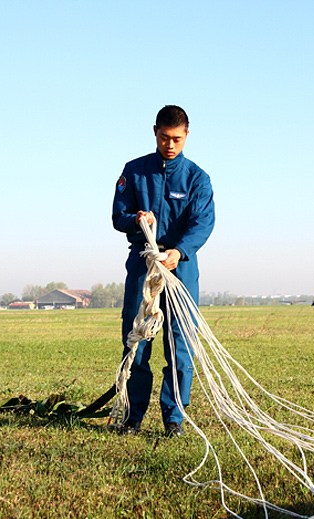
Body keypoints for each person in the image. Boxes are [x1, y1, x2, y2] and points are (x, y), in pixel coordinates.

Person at [111, 105, 215, 437]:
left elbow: (203, 223)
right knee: (136, 342)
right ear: (154, 132)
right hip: (144, 266)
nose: (170, 145)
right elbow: (118, 215)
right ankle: (132, 416)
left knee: (180, 346)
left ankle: (174, 419)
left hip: (181, 269)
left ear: (187, 136)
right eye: (164, 138)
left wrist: (179, 251)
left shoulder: (198, 178)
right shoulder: (135, 171)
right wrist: (137, 220)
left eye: (177, 139)